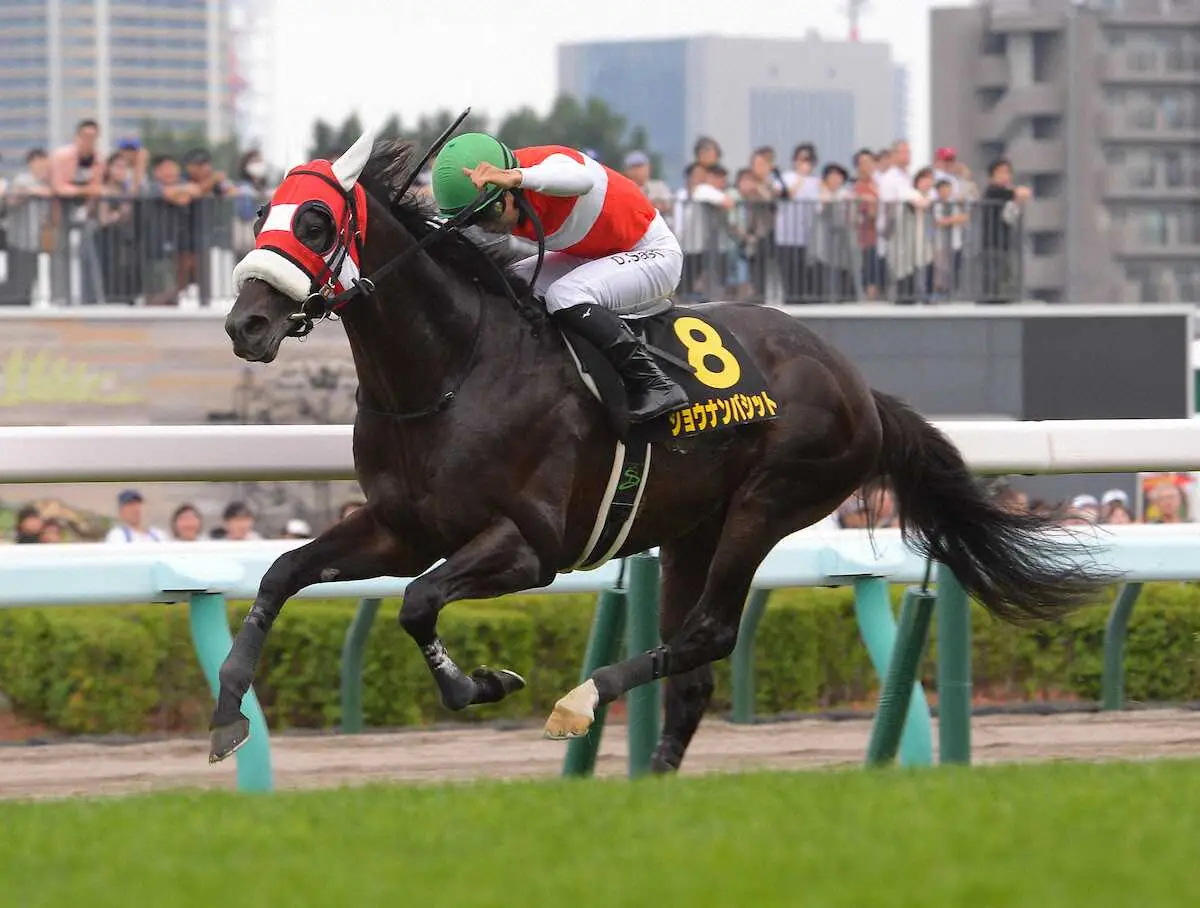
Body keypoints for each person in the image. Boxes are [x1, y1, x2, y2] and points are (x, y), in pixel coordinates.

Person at [429, 133, 688, 422]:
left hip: (654, 254)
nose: (480, 228)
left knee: (565, 295)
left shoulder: (551, 165)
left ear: (505, 197)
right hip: (594, 255)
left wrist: (516, 177)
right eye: (470, 221)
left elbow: (581, 180)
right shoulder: (500, 192)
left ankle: (655, 382)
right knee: (510, 283)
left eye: (482, 216)